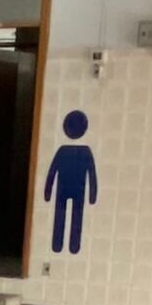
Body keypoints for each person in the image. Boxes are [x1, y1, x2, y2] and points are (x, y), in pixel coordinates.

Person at [42, 109, 99, 255]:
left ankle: (64, 245)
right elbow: (92, 174)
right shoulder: (83, 152)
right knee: (69, 217)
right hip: (75, 189)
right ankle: (67, 245)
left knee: (69, 217)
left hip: (66, 188)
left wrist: (48, 192)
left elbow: (52, 172)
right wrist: (92, 195)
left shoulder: (66, 151)